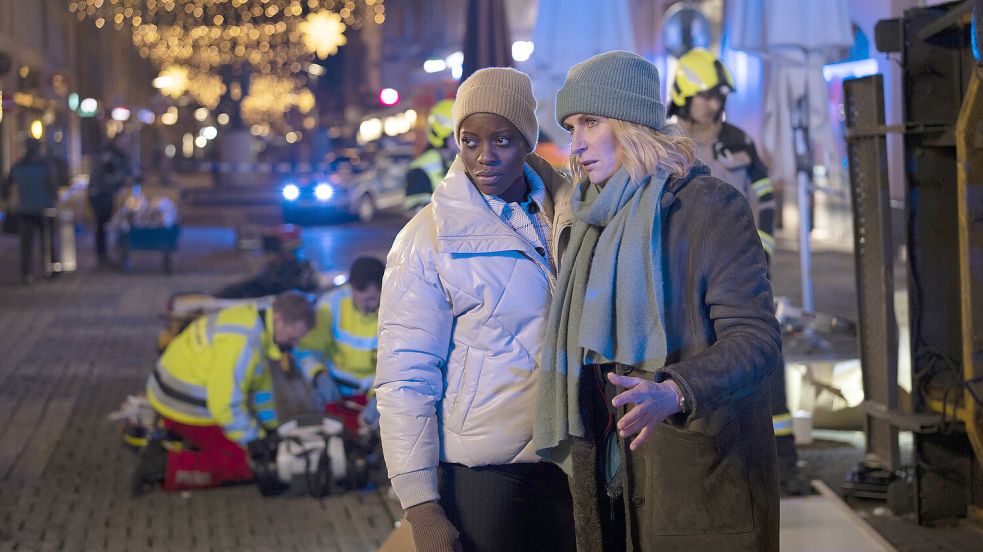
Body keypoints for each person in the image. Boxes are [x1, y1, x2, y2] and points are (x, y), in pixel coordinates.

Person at [536, 51, 782, 551]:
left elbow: (756, 339)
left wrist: (674, 392)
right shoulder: (589, 220)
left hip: (701, 484)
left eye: (591, 122)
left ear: (630, 125)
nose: (576, 144)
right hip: (615, 486)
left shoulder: (708, 206)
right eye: (570, 127)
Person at [376, 67, 575, 552]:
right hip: (485, 476)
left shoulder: (570, 213)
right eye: (470, 140)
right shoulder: (426, 239)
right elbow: (405, 377)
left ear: (527, 139)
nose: (485, 156)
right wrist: (421, 506)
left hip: (572, 462)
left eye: (503, 139)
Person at [669, 48, 807, 495]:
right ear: (684, 96)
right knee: (701, 364)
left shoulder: (738, 141)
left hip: (743, 275)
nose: (715, 103)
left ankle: (784, 464)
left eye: (719, 95)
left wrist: (759, 256)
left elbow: (766, 199)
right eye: (707, 95)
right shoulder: (667, 144)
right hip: (688, 280)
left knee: (763, 356)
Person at [135, 290, 315, 495]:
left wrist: (272, 430)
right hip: (184, 404)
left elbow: (258, 391)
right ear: (279, 319)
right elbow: (225, 406)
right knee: (247, 464)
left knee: (255, 450)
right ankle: (163, 467)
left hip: (175, 390)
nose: (294, 345)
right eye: (292, 338)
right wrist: (255, 441)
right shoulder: (244, 344)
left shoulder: (256, 323)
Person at [294, 256, 384, 432]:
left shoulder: (396, 311)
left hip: (373, 396)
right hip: (334, 393)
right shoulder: (331, 304)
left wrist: (380, 398)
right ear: (351, 288)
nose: (365, 305)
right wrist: (318, 375)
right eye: (360, 297)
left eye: (372, 298)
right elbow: (307, 349)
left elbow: (397, 363)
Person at [1, 139, 58, 285]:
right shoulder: (45, 166)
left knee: (27, 243)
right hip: (44, 208)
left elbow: (6, 187)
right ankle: (50, 269)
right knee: (48, 241)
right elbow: (53, 186)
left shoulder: (18, 166)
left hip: (25, 209)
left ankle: (26, 273)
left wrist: (10, 201)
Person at [403, 98, 458, 214]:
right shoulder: (420, 168)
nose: (462, 143)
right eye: (456, 136)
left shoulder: (459, 162)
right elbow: (417, 214)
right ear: (441, 135)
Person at [88, 133, 131, 265]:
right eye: (123, 142)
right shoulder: (109, 154)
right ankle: (102, 256)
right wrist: (123, 179)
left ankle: (104, 255)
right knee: (102, 225)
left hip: (104, 193)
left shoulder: (114, 154)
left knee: (104, 225)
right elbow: (110, 175)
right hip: (100, 194)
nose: (125, 145)